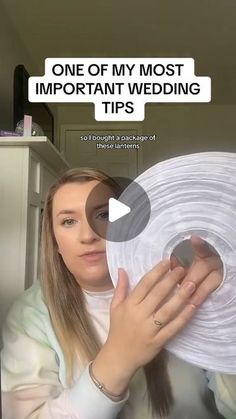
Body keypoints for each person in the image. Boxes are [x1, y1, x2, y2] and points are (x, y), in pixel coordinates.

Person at [1, 167, 236, 419]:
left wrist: (224, 310)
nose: (88, 235)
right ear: (55, 242)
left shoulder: (180, 289)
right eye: (68, 221)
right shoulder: (31, 314)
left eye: (104, 214)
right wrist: (119, 358)